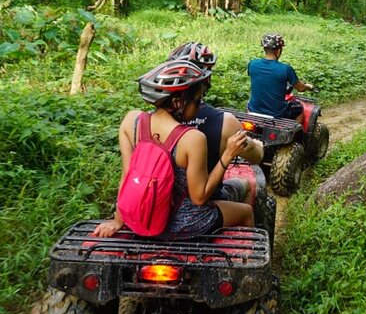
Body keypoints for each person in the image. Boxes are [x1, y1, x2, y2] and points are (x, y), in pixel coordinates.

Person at [93, 60, 254, 239]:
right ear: (179, 102)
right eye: (197, 100)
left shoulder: (131, 121)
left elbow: (128, 175)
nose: (199, 106)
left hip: (141, 218)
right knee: (246, 212)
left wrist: (118, 219)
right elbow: (199, 197)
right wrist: (228, 154)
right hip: (186, 224)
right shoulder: (192, 139)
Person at [167, 42, 264, 204]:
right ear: (206, 78)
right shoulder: (225, 122)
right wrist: (257, 146)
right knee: (247, 184)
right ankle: (245, 225)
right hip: (207, 202)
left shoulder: (150, 120)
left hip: (164, 205)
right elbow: (255, 157)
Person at [247, 33, 313, 123]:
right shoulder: (285, 69)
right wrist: (308, 86)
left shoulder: (252, 64)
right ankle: (295, 135)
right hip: (277, 113)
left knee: (249, 103)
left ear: (264, 49)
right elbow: (300, 88)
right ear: (278, 50)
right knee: (298, 108)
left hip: (254, 110)